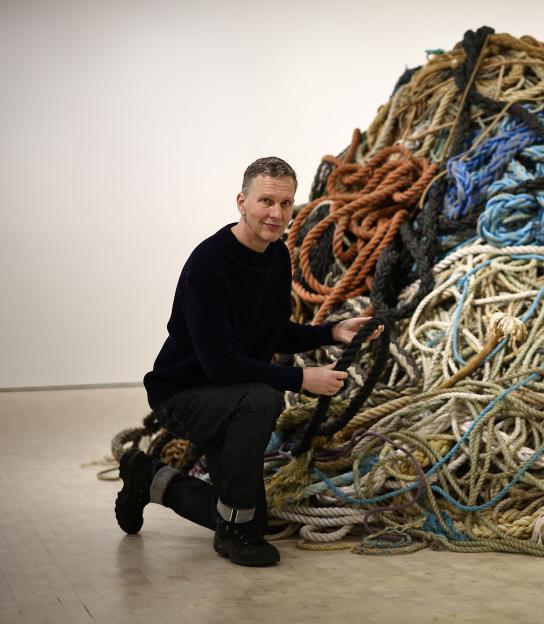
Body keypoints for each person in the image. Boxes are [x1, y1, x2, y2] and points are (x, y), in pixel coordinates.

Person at [115, 156, 381, 566]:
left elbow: (270, 333)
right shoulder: (209, 264)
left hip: (228, 397)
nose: (276, 214)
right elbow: (222, 364)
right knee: (263, 397)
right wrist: (301, 378)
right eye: (266, 201)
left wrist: (331, 331)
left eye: (286, 203)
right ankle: (233, 532)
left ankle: (148, 477)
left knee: (254, 522)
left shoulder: (276, 256)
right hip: (183, 395)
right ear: (242, 201)